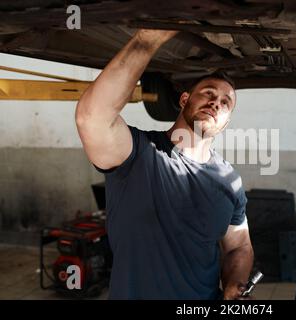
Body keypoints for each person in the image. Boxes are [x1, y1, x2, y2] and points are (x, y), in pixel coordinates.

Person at [75, 29, 254, 299]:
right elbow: (92, 117)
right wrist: (147, 40)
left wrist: (234, 285)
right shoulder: (137, 153)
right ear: (184, 100)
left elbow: (238, 245)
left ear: (226, 122)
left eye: (225, 103)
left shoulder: (230, 180)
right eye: (208, 93)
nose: (215, 102)